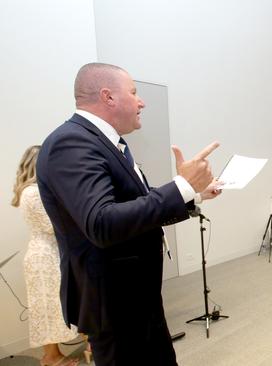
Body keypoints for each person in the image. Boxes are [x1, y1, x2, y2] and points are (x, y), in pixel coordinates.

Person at [37, 63, 224, 365]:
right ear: (108, 96)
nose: (142, 102)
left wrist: (192, 194)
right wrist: (180, 186)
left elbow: (136, 208)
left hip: (136, 295)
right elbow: (101, 222)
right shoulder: (71, 142)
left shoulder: (111, 144)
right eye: (134, 93)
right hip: (114, 302)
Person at [12, 146, 81, 366]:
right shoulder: (33, 192)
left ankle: (57, 354)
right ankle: (51, 357)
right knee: (49, 306)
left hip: (48, 252)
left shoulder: (33, 190)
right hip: (45, 256)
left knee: (53, 304)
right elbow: (53, 225)